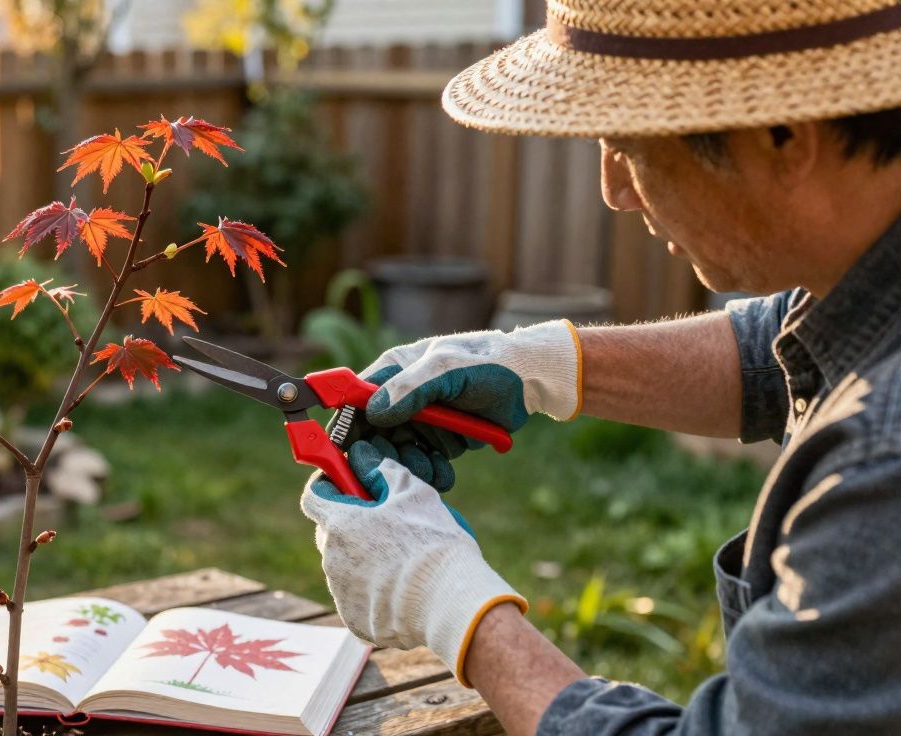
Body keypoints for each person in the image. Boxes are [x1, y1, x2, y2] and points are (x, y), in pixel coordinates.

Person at [299, 2, 901, 734]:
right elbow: (791, 352)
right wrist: (542, 364)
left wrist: (450, 602)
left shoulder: (882, 465)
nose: (614, 188)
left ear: (781, 136)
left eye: (628, 146)